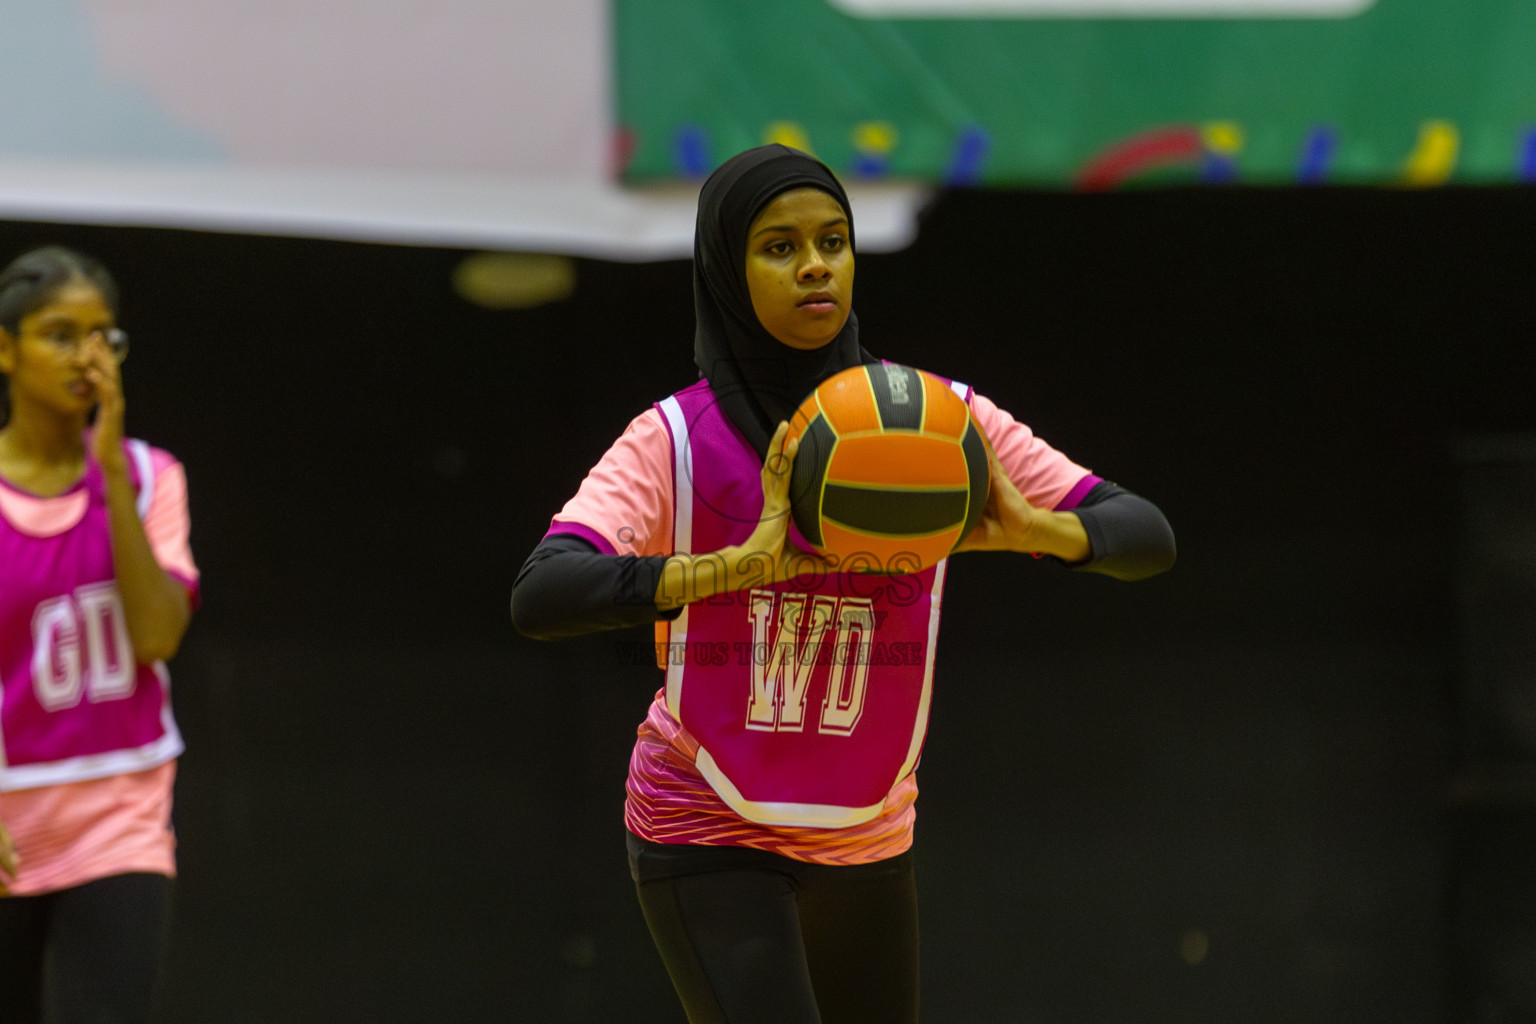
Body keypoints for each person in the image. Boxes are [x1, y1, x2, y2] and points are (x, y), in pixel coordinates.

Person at [511, 145, 1175, 1024]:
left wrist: (1037, 530)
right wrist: (739, 566)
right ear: (725, 268)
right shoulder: (671, 440)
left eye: (832, 240)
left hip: (866, 831)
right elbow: (544, 592)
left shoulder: (937, 424)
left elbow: (1147, 536)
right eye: (779, 247)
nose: (816, 263)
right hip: (706, 823)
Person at [0, 246, 199, 1023]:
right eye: (59, 334)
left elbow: (156, 636)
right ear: (6, 349)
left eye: (102, 336)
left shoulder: (152, 478)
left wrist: (108, 469)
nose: (85, 356)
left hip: (118, 818)